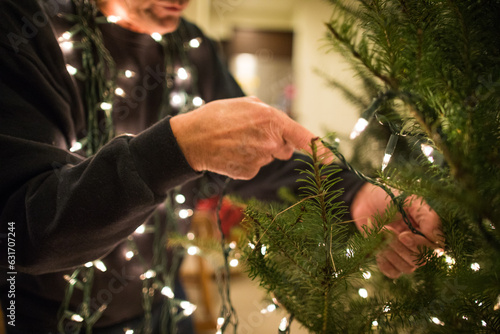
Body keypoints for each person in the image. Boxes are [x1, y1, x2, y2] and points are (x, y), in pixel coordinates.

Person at [0, 0, 443, 332]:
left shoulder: (192, 49)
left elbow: (261, 161)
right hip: (44, 318)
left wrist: (356, 195)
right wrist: (177, 149)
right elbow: (20, 233)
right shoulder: (24, 26)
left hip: (164, 311)